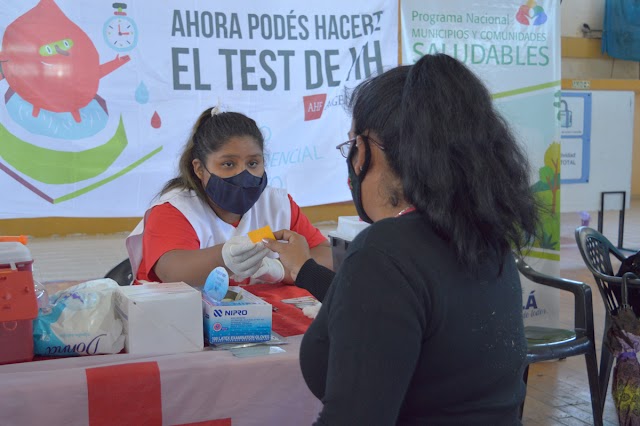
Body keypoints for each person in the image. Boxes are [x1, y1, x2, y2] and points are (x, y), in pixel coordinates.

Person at [263, 53, 540, 425]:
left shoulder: (384, 251)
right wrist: (305, 271)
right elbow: (394, 317)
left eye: (351, 147)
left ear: (368, 152)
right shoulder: (482, 237)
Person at [126, 107, 332, 286]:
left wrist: (279, 269)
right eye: (228, 164)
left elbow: (326, 255)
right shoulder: (175, 209)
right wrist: (227, 255)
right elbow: (172, 272)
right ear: (199, 169)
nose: (243, 174)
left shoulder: (277, 205)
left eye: (253, 164)